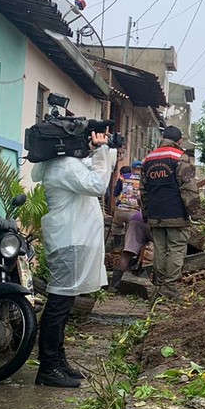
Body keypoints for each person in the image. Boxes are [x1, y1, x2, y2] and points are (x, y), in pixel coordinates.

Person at [31, 128, 117, 388]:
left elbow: (91, 167)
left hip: (71, 238)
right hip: (69, 240)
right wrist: (101, 150)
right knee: (58, 306)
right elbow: (98, 184)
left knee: (63, 305)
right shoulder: (65, 166)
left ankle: (57, 361)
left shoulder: (61, 163)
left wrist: (101, 149)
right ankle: (48, 367)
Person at [142, 125, 200, 300]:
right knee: (175, 249)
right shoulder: (180, 157)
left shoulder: (148, 159)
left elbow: (143, 191)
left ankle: (158, 286)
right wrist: (195, 212)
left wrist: (146, 214)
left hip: (155, 214)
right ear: (179, 140)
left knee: (160, 250)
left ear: (163, 138)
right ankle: (170, 287)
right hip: (175, 214)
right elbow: (188, 188)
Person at [108, 210, 151, 291]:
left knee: (127, 254)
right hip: (158, 222)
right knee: (161, 252)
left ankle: (113, 287)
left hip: (137, 219)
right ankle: (158, 288)